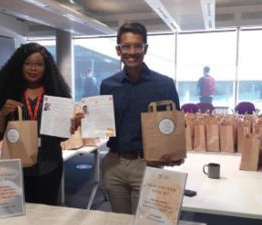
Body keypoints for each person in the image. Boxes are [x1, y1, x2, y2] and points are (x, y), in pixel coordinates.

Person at [72, 22, 182, 214]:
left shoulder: (164, 84)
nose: (131, 52)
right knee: (119, 220)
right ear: (118, 50)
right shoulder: (108, 85)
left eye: (137, 46)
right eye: (126, 46)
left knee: (148, 219)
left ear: (145, 48)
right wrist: (85, 120)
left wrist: (174, 152)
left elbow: (174, 126)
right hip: (114, 165)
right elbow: (104, 125)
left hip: (147, 164)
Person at [0, 42, 71, 205]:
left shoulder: (56, 94)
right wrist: (3, 113)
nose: (33, 69)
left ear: (46, 68)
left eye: (39, 64)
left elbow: (62, 138)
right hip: (17, 167)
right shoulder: (9, 93)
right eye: (27, 63)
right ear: (19, 66)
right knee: (19, 214)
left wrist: (70, 125)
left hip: (49, 164)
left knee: (46, 213)